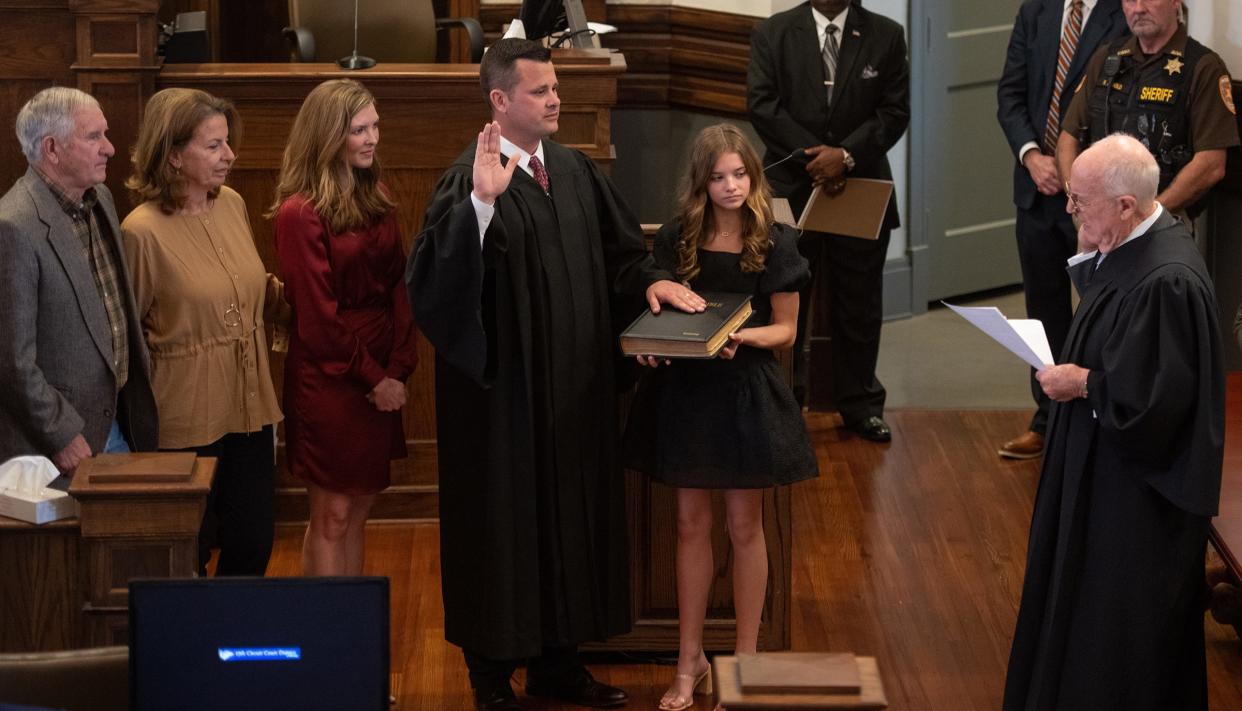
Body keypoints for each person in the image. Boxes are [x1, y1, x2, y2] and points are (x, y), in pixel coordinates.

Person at [408, 38, 699, 711]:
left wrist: (652, 285)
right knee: (503, 529)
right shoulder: (469, 181)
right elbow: (437, 288)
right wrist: (481, 208)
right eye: (540, 90)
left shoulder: (572, 170)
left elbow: (623, 257)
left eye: (556, 87)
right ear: (500, 100)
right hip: (502, 407)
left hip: (573, 395)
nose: (556, 98)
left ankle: (559, 664)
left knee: (571, 520)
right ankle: (490, 678)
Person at [1003, 134, 1224, 710]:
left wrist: (1082, 384)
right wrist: (1090, 249)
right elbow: (1121, 336)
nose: (1070, 209)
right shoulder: (1136, 248)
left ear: (1127, 205)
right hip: (1103, 473)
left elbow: (1157, 403)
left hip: (1135, 503)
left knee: (1113, 637)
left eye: (1081, 201)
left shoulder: (1167, 280)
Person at [623, 124, 819, 711]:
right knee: (688, 525)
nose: (731, 186)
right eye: (718, 177)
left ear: (753, 177)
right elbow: (660, 306)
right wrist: (658, 340)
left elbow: (785, 332)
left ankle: (748, 663)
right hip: (687, 393)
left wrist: (737, 338)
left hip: (743, 391)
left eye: (740, 175)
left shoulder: (777, 240)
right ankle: (690, 661)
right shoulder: (679, 237)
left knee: (744, 527)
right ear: (701, 182)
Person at [121, 88, 283, 576]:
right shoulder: (140, 232)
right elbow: (127, 338)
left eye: (227, 143)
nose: (229, 156)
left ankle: (232, 642)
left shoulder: (230, 203)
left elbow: (253, 289)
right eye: (213, 146)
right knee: (187, 551)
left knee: (254, 541)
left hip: (249, 406)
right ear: (172, 156)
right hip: (183, 418)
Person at [271, 79, 418, 577]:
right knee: (331, 514)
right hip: (331, 379)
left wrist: (398, 366)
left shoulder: (373, 190)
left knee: (359, 510)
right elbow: (316, 318)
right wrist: (375, 378)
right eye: (359, 129)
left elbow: (399, 281)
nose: (372, 138)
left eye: (375, 126)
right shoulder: (299, 212)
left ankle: (351, 635)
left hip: (382, 370)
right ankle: (327, 641)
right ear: (328, 136)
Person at [747, 0, 910, 443]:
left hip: (860, 186)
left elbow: (894, 113)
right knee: (785, 297)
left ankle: (860, 405)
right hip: (791, 186)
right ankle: (786, 401)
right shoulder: (775, 32)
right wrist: (816, 158)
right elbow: (762, 105)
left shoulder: (886, 35)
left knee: (859, 303)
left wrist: (845, 157)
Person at [995, 0, 1128, 460]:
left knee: (1103, 311)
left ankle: (1096, 419)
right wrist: (1032, 155)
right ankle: (1047, 419)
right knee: (1044, 307)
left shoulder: (1122, 12)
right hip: (1035, 190)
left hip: (1099, 196)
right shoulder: (1037, 11)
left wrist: (1077, 178)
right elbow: (1010, 94)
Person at [0, 87, 157, 471]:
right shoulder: (13, 226)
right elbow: (10, 361)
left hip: (116, 421)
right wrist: (62, 435)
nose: (110, 148)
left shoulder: (98, 197)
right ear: (52, 149)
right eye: (94, 137)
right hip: (58, 446)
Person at [1055, 0, 1238, 222]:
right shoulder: (1106, 58)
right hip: (1096, 222)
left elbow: (1211, 164)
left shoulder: (1203, 67)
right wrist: (1076, 198)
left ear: (1175, 2)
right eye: (1130, 0)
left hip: (1162, 223)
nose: (1139, 8)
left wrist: (1146, 216)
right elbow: (1067, 139)